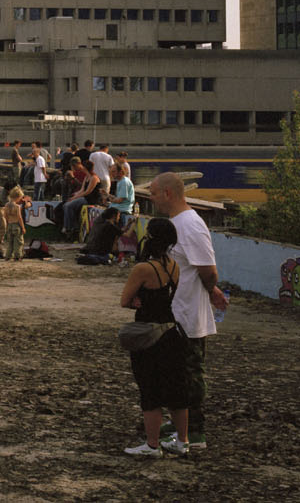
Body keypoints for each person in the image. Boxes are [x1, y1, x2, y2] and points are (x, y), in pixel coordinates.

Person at [150, 172, 227, 454]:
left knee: (190, 374)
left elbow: (209, 270)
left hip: (189, 315)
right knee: (175, 372)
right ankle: (180, 423)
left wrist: (211, 290)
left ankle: (194, 431)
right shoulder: (178, 224)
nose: (153, 199)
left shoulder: (190, 225)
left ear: (169, 194)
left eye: (155, 193)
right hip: (177, 312)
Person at [120, 216, 189, 456]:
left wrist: (138, 302)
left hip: (149, 335)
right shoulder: (174, 266)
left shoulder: (143, 269)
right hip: (172, 332)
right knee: (176, 391)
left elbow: (124, 301)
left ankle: (152, 444)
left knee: (150, 390)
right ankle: (182, 442)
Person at [0, 185, 29, 261]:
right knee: (18, 242)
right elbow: (19, 218)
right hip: (16, 226)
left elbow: (5, 216)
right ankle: (18, 256)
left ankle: (8, 256)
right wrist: (23, 227)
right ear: (17, 197)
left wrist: (8, 223)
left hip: (9, 225)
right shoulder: (17, 207)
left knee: (10, 242)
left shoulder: (6, 205)